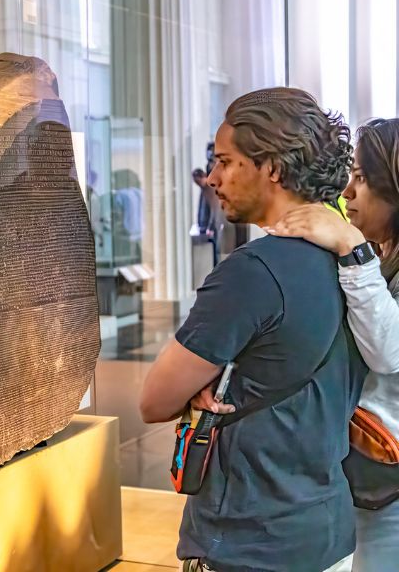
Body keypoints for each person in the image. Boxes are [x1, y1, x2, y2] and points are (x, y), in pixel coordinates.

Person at [139, 87, 366, 572]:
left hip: (250, 539)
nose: (213, 178)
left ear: (273, 168)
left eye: (225, 161)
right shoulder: (352, 261)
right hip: (326, 529)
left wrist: (205, 380)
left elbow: (154, 401)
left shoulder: (251, 272)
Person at [266, 118, 399, 571]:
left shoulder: (364, 253)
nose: (346, 194)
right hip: (363, 473)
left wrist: (351, 245)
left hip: (388, 480)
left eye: (361, 179)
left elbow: (388, 350)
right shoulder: (381, 257)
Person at [191, 161, 223, 265]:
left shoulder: (210, 187)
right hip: (213, 224)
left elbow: (215, 208)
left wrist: (209, 226)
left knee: (218, 251)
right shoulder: (204, 189)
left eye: (199, 181)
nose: (199, 184)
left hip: (217, 223)